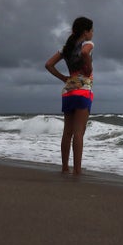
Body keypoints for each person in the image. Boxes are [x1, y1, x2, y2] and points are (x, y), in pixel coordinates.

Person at [45, 17, 94, 175]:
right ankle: (77, 171)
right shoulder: (88, 44)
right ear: (86, 32)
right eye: (92, 30)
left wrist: (63, 78)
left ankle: (65, 168)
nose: (93, 34)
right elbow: (85, 53)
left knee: (68, 132)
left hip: (68, 90)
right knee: (79, 132)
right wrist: (89, 68)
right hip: (82, 89)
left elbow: (48, 65)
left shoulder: (65, 48)